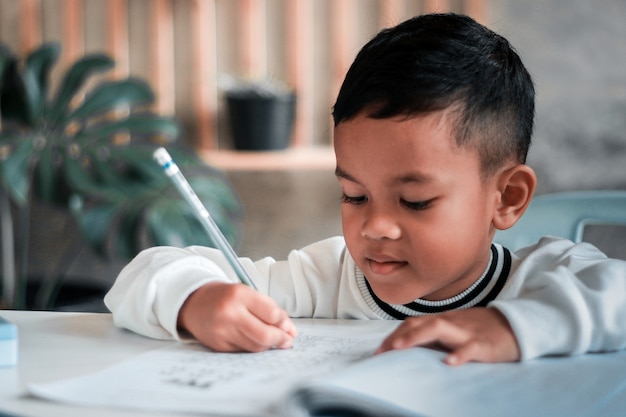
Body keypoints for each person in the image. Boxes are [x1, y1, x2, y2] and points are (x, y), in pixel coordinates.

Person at [105, 13, 626, 366]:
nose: (374, 225)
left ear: (506, 198)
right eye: (354, 195)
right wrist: (197, 299)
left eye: (415, 201)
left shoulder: (545, 279)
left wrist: (513, 329)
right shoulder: (325, 279)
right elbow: (140, 277)